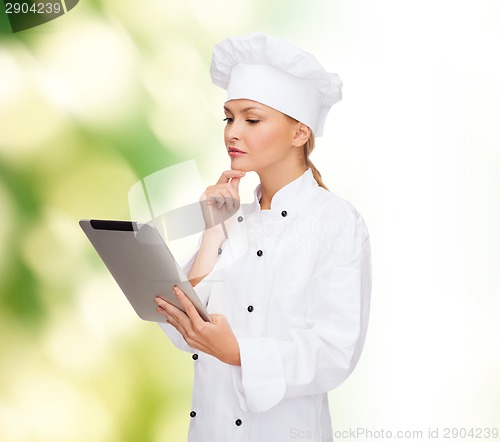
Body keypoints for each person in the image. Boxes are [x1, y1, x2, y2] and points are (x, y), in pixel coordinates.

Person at [154, 32, 371, 442]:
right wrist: (211, 234)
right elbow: (184, 330)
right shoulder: (233, 219)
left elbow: (335, 351)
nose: (233, 132)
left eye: (251, 119)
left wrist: (239, 354)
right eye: (229, 117)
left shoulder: (336, 222)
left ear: (299, 133)